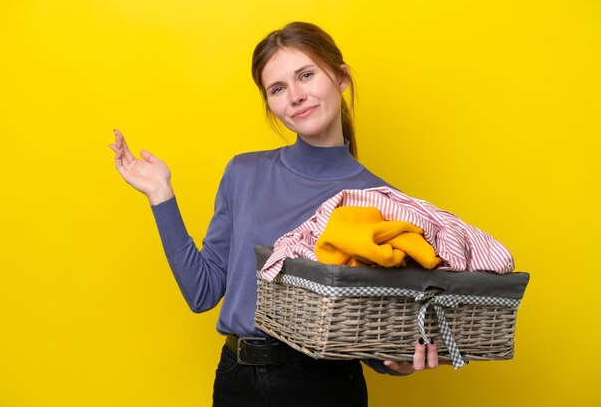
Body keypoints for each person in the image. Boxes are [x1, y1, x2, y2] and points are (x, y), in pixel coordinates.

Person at [110, 21, 442, 407]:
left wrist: (396, 363)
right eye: (278, 88)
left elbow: (368, 332)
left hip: (325, 386)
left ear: (341, 78)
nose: (296, 96)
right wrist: (160, 194)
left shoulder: (381, 199)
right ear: (270, 103)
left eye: (306, 75)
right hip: (236, 380)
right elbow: (202, 293)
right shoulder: (244, 173)